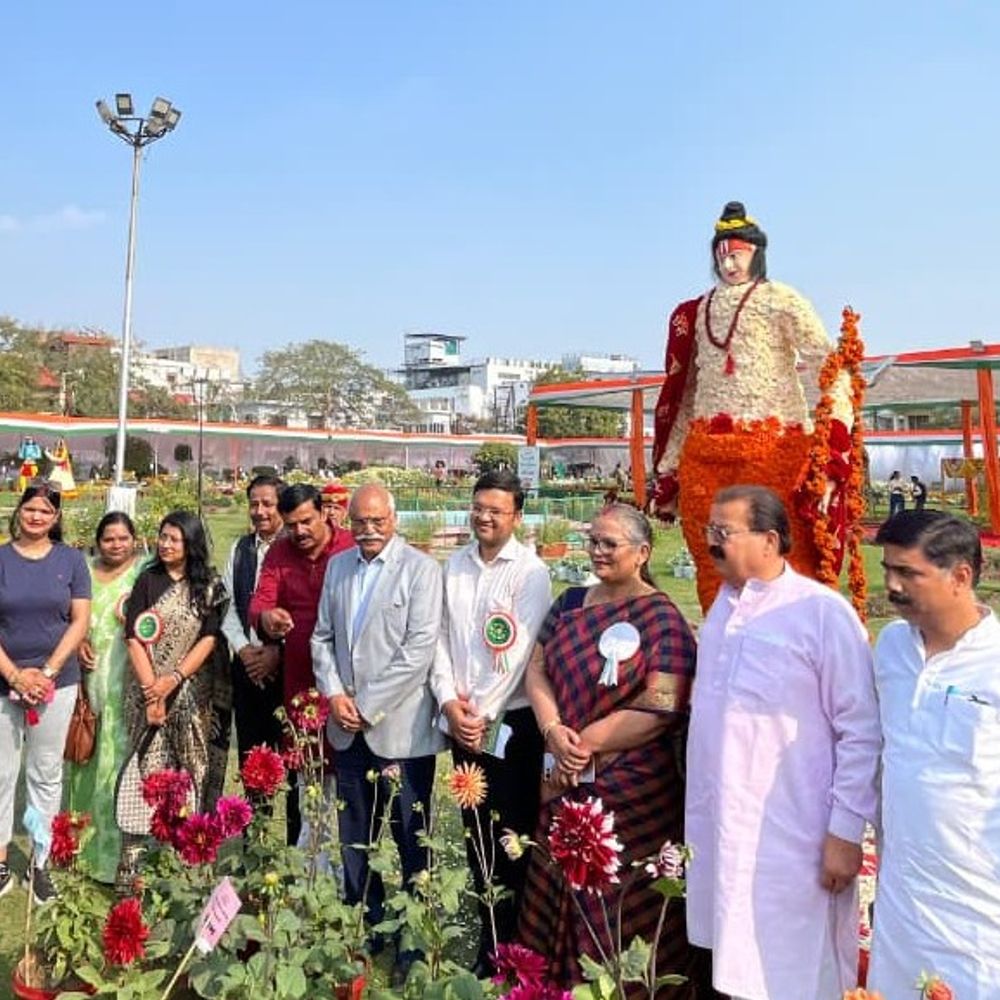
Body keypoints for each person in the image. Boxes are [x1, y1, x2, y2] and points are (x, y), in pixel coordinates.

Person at [684, 485, 880, 1000]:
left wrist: (845, 831)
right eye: (710, 531)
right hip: (725, 826)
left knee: (794, 969)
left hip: (798, 834)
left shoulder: (822, 612)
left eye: (723, 533)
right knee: (734, 959)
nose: (711, 543)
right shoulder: (724, 609)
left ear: (769, 540)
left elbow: (859, 728)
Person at [519, 503, 702, 996]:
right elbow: (535, 669)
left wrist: (588, 745)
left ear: (642, 553)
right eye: (593, 541)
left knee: (619, 899)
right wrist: (555, 730)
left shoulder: (662, 617)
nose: (597, 552)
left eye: (610, 544)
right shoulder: (570, 603)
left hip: (632, 790)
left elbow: (661, 705)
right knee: (554, 882)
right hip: (561, 768)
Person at [650, 201, 860, 612]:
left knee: (789, 565)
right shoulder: (695, 312)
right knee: (714, 568)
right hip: (705, 456)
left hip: (774, 449)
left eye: (737, 254)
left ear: (756, 253)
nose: (729, 264)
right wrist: (670, 467)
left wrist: (833, 446)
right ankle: (723, 652)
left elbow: (833, 369)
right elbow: (685, 395)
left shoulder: (781, 299)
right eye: (721, 255)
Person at [311, 484, 444, 985]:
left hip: (401, 733)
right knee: (354, 837)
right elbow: (322, 636)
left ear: (394, 519)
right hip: (346, 728)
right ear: (347, 521)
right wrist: (334, 695)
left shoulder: (421, 570)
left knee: (411, 838)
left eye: (377, 521)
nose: (368, 531)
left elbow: (419, 650)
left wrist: (366, 706)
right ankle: (365, 921)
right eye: (359, 522)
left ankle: (412, 935)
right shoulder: (339, 566)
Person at [868, 511, 1000, 996]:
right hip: (904, 890)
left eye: (908, 573)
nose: (892, 585)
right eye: (888, 569)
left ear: (960, 576)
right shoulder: (892, 648)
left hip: (981, 905)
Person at [431, 469, 551, 974]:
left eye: (496, 510)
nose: (483, 517)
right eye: (478, 507)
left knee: (512, 837)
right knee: (475, 835)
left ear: (516, 516)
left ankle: (518, 949)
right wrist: (448, 705)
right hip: (464, 727)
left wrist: (479, 714)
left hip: (511, 730)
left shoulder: (530, 572)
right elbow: (436, 640)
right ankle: (489, 939)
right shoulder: (453, 567)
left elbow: (524, 651)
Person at [0, 483, 91, 902]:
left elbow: (79, 620)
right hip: (5, 680)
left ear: (56, 518)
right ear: (18, 511)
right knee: (2, 773)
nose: (36, 517)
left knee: (45, 772)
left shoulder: (71, 560)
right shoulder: (0, 558)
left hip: (58, 682)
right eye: (30, 509)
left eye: (45, 512)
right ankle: (1, 862)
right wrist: (18, 677)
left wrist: (48, 673)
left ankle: (41, 862)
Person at [119, 512, 227, 862]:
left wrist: (173, 680)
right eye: (162, 536)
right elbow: (133, 635)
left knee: (190, 770)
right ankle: (137, 862)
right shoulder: (147, 580)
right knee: (147, 774)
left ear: (190, 544)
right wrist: (153, 688)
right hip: (147, 694)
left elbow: (209, 638)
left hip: (190, 695)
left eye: (174, 539)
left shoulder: (208, 586)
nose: (165, 544)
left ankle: (187, 857)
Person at [250, 483, 354, 845]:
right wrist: (267, 619)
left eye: (306, 522)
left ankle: (351, 874)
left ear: (325, 512)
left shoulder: (351, 548)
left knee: (351, 781)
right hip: (301, 683)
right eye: (291, 524)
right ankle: (314, 870)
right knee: (309, 778)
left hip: (347, 682)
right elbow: (259, 603)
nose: (300, 532)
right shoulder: (279, 552)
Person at [65, 512, 145, 884]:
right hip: (89, 683)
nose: (116, 545)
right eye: (109, 539)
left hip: (128, 683)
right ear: (98, 541)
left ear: (134, 539)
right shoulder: (82, 571)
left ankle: (117, 857)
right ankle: (81, 851)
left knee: (120, 765)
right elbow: (68, 616)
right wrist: (78, 642)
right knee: (85, 761)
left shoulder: (144, 572)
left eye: (122, 538)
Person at [221, 474, 285, 767]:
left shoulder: (295, 549)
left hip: (286, 669)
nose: (260, 511)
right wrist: (246, 652)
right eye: (254, 504)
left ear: (281, 505)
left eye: (267, 504)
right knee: (252, 760)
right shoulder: (239, 550)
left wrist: (277, 653)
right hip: (247, 668)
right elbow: (227, 606)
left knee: (294, 761)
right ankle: (256, 814)